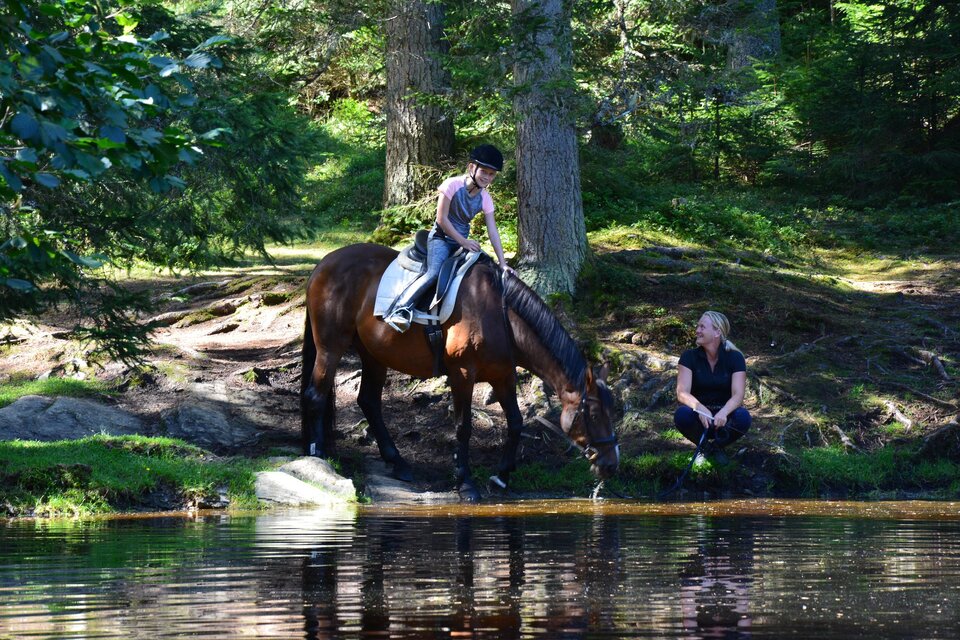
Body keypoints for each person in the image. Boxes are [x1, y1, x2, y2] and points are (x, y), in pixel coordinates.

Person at [384, 144, 515, 332]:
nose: (487, 177)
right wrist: (463, 242)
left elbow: (492, 231)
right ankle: (400, 308)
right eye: (484, 172)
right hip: (441, 238)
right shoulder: (451, 185)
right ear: (472, 168)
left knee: (484, 269)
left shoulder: (485, 198)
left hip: (462, 243)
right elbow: (441, 219)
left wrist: (502, 263)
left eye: (492, 174)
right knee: (434, 272)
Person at [674, 310, 751, 464]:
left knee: (743, 418)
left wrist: (723, 413)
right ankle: (704, 448)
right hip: (699, 417)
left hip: (724, 417)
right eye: (698, 326)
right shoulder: (689, 357)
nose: (697, 331)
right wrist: (699, 407)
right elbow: (682, 392)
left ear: (717, 332)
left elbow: (738, 395)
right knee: (681, 415)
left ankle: (717, 447)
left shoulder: (735, 358)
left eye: (702, 327)